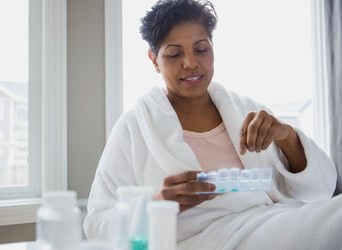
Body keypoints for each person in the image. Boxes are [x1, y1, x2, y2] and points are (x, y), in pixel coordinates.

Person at [84, 0, 342, 249]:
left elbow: (321, 189)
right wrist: (157, 204)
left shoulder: (247, 110)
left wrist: (287, 136)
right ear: (154, 60)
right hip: (202, 240)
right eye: (174, 54)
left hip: (271, 224)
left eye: (201, 49)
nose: (191, 63)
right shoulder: (134, 128)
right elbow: (97, 222)